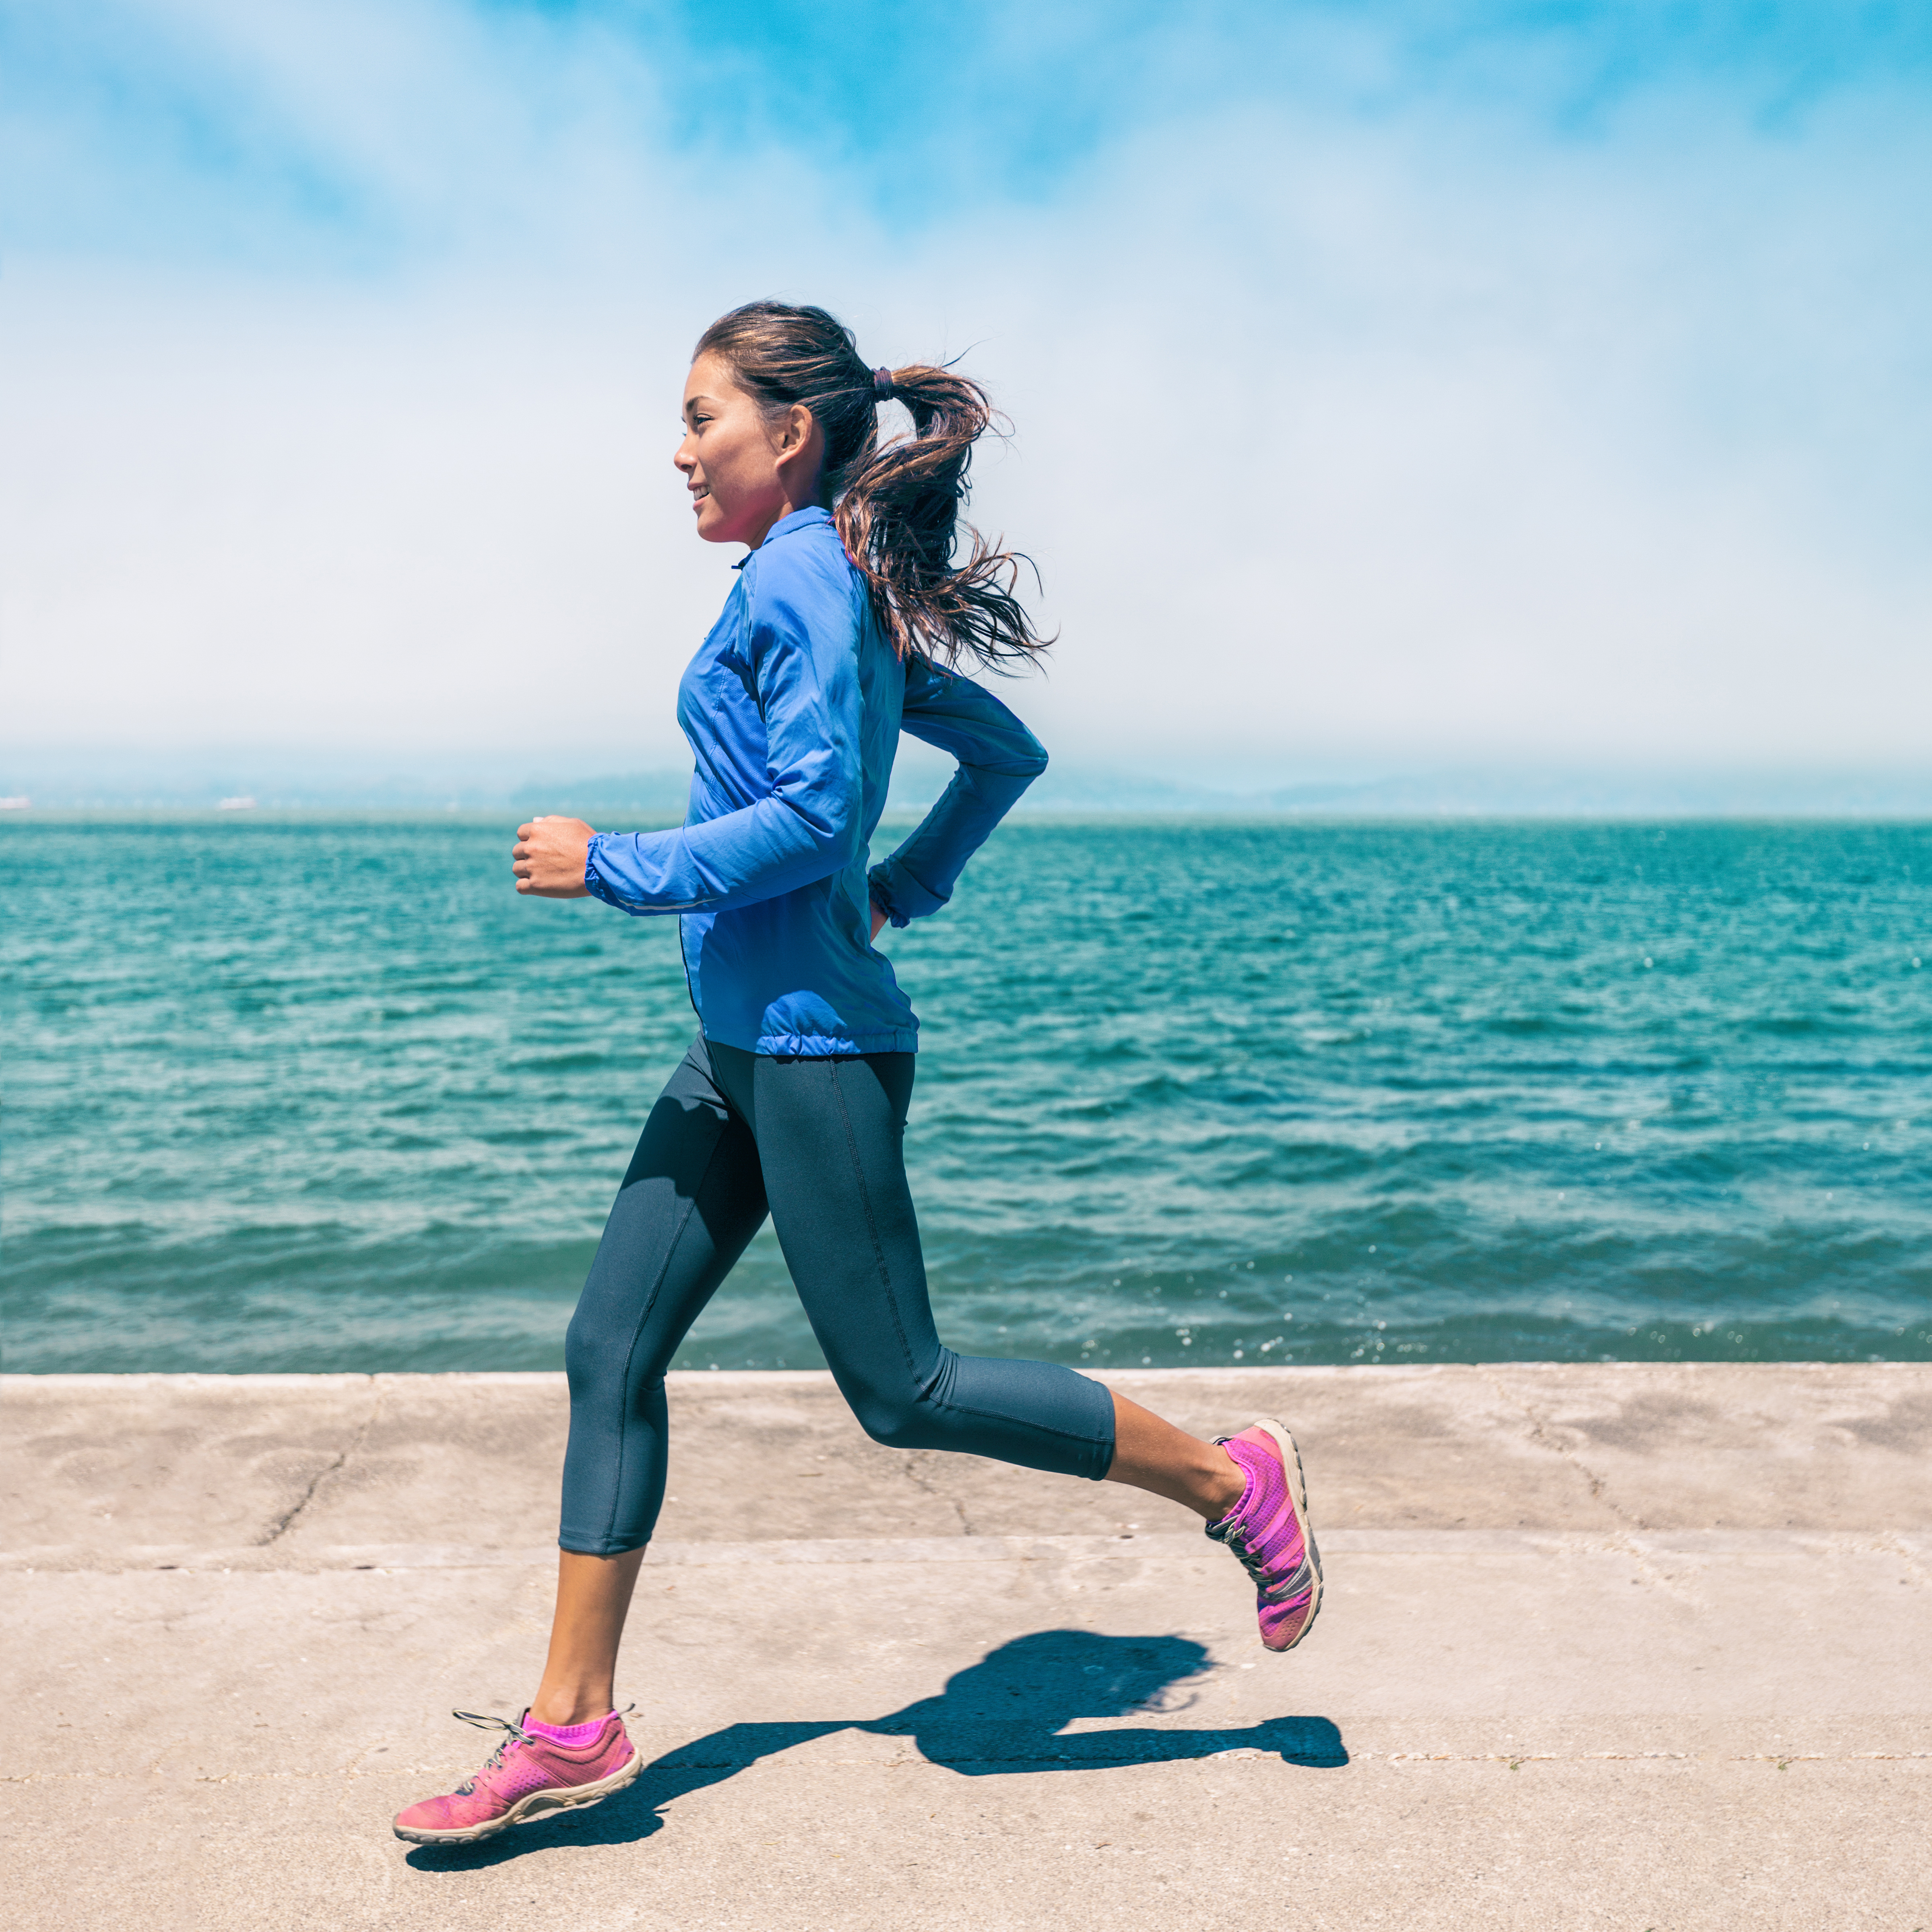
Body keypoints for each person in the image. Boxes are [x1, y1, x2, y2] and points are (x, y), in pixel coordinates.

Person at [392, 302, 1321, 1847]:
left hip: (817, 1052)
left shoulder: (814, 579)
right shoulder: (824, 586)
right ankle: (571, 1724)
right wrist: (914, 882)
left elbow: (816, 819)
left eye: (703, 418)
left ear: (791, 432)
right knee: (608, 1348)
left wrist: (624, 865)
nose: (679, 450)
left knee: (907, 1393)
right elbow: (1002, 755)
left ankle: (1233, 1483)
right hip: (740, 1052)